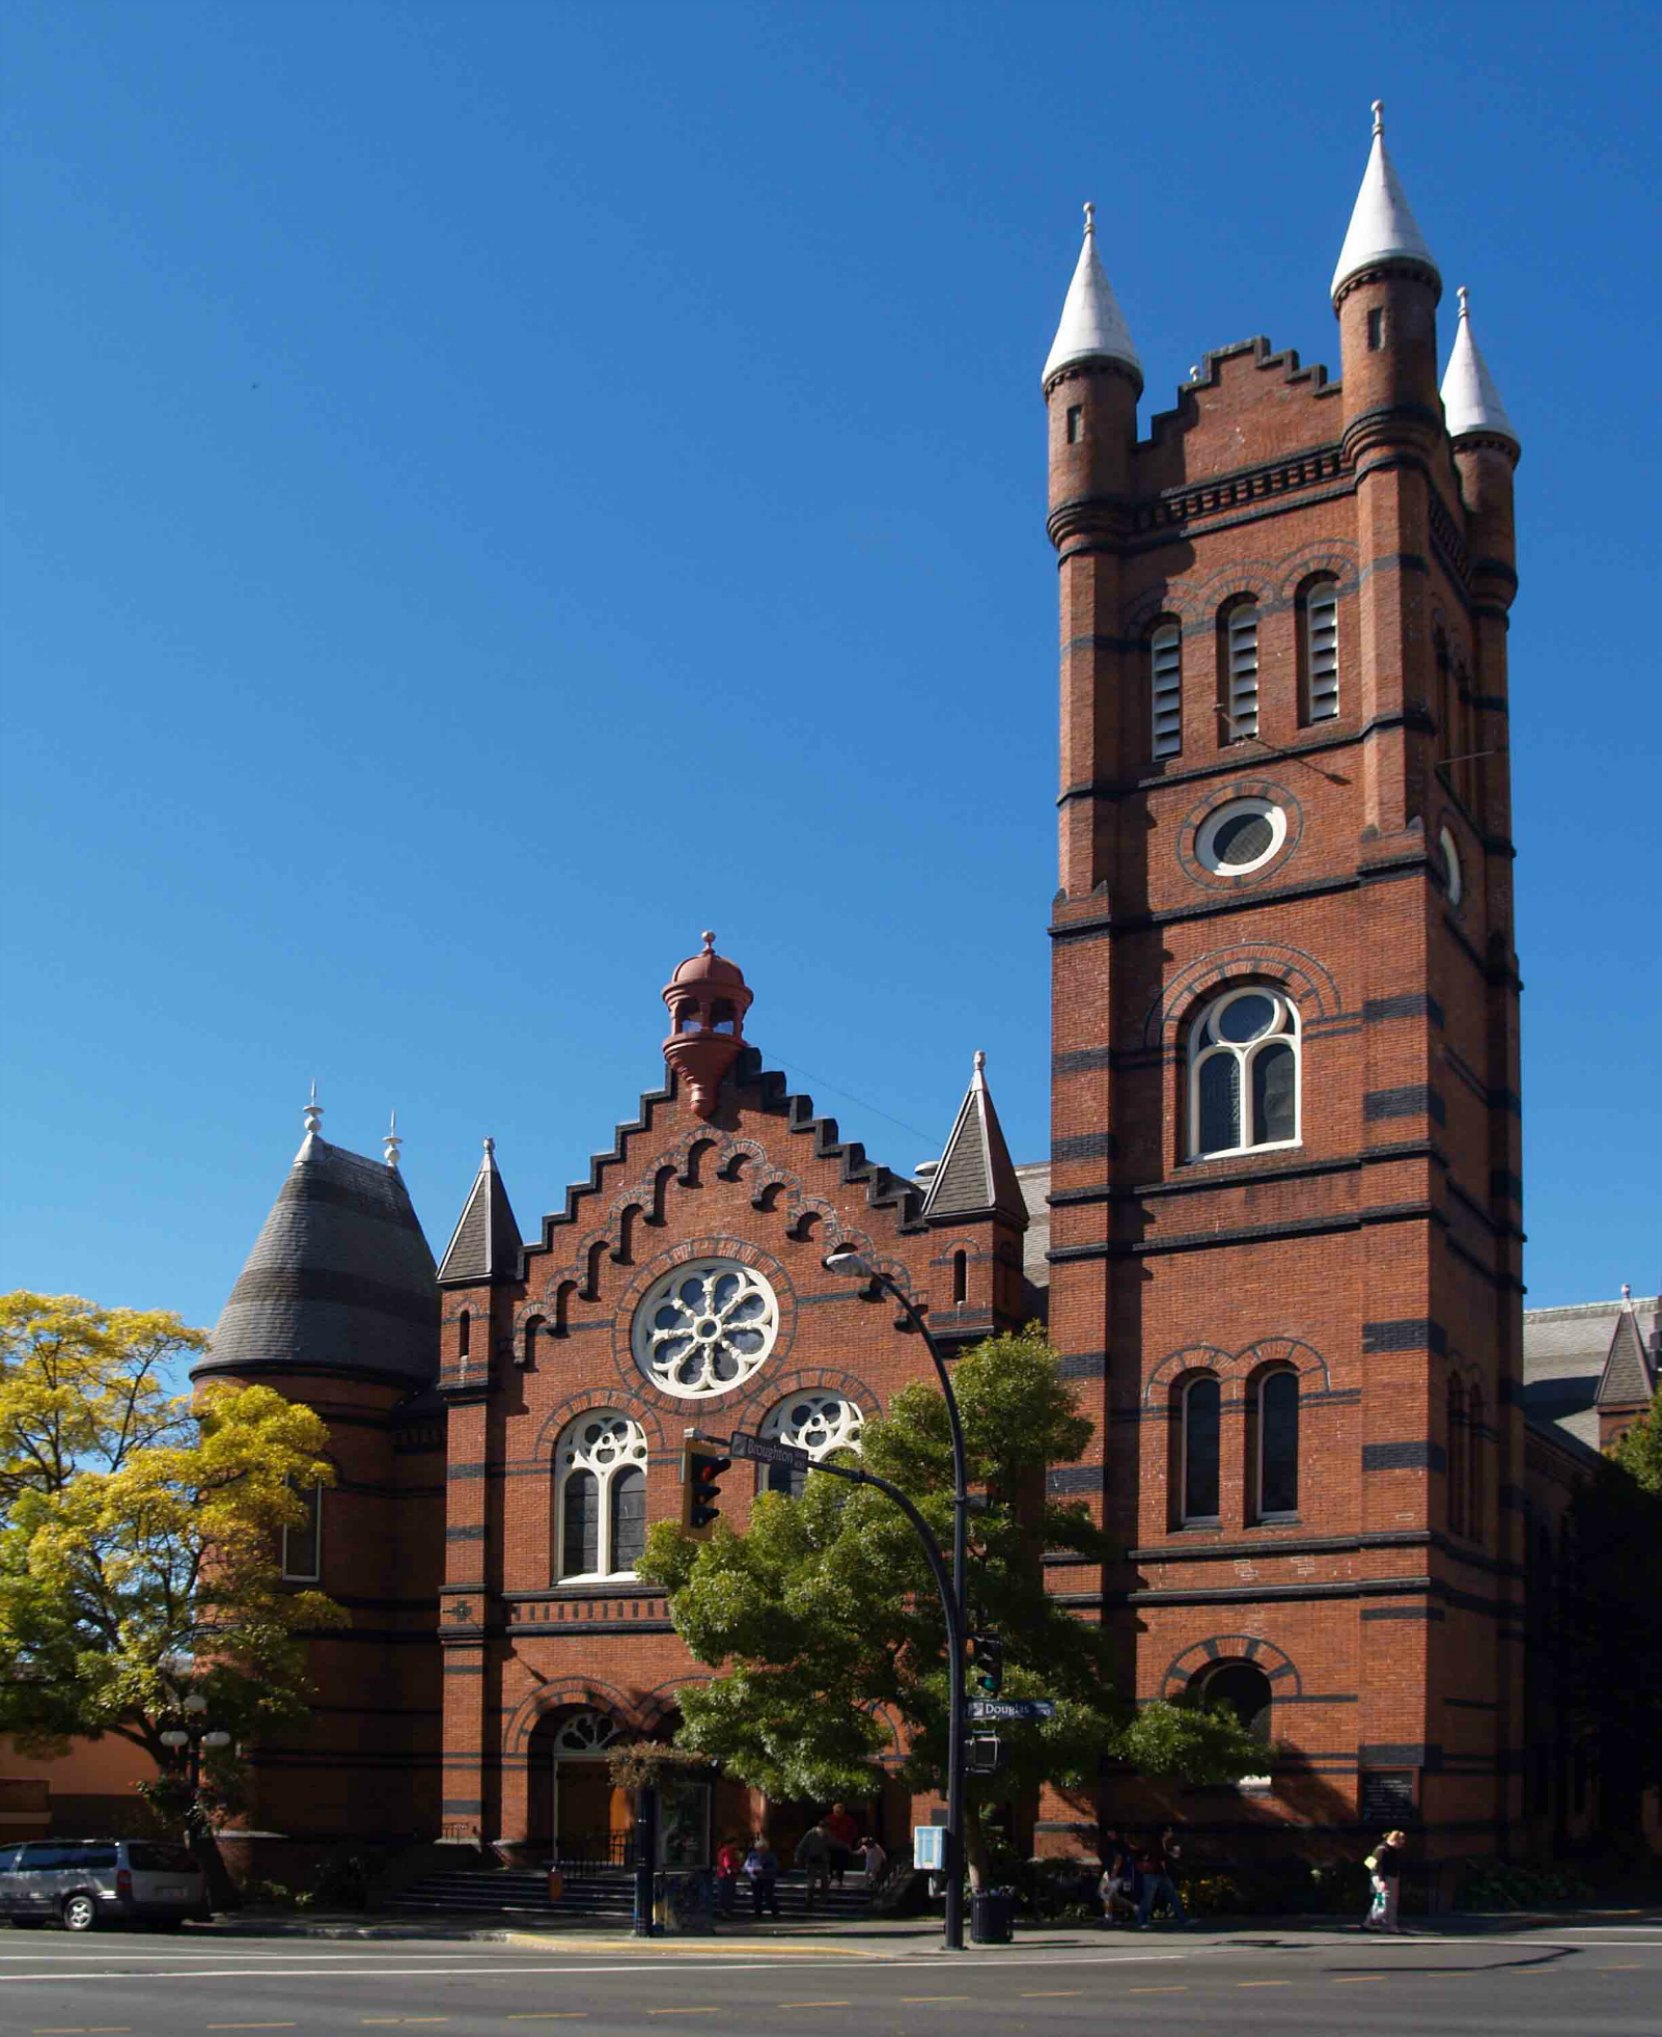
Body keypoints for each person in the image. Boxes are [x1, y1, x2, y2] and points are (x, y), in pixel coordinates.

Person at [1135, 1826, 1188, 1929]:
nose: (1171, 1833)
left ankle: (1182, 1918)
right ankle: (1142, 1921)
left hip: (1160, 1873)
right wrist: (1172, 1854)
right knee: (1148, 1898)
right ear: (1164, 1833)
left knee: (1172, 1894)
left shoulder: (1163, 1842)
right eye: (1169, 1831)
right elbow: (1159, 1856)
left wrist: (1171, 1853)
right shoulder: (1156, 1843)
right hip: (1152, 1873)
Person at [1362, 1829, 1407, 1934]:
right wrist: (1381, 1881)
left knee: (1382, 1900)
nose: (1401, 1846)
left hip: (1384, 1877)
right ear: (1395, 1840)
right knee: (1384, 1901)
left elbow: (1369, 1864)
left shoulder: (1383, 1849)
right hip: (1385, 1878)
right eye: (1400, 1843)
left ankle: (1373, 1922)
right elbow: (1379, 1867)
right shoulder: (1383, 1850)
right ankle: (1380, 1922)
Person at [1097, 1827, 1135, 1926]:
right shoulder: (1115, 1843)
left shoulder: (1116, 1844)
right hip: (1113, 1872)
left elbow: (1119, 1858)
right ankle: (1133, 1908)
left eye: (1110, 1831)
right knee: (1112, 1895)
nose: (1108, 1833)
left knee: (1106, 1894)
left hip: (1115, 1874)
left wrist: (1114, 1872)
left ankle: (1108, 1916)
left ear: (1114, 1833)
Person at [794, 1820, 832, 1907]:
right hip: (812, 1860)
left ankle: (823, 1899)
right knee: (811, 1881)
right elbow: (802, 1846)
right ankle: (809, 1900)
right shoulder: (811, 1834)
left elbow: (832, 1843)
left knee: (824, 1880)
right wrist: (798, 1857)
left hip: (823, 1860)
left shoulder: (827, 1835)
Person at [744, 1835, 781, 1919]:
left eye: (762, 1848)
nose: (760, 1850)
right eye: (758, 1848)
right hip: (755, 1879)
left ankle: (775, 1912)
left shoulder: (771, 1856)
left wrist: (764, 1870)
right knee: (757, 1897)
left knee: (769, 1895)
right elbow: (746, 1866)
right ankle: (758, 1913)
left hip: (767, 1878)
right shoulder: (752, 1855)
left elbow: (775, 1867)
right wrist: (751, 1870)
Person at [823, 1802, 859, 1887]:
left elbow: (854, 1832)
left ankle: (839, 1879)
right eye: (837, 1810)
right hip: (831, 1844)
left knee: (841, 1862)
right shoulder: (828, 1819)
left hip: (843, 1844)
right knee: (830, 1861)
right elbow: (823, 1830)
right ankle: (829, 1877)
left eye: (840, 1810)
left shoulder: (848, 1819)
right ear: (834, 1810)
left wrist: (849, 1842)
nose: (838, 1812)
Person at [715, 1834, 745, 1918]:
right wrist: (731, 1870)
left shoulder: (721, 1850)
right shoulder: (728, 1850)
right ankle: (726, 1913)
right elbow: (727, 1862)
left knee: (723, 1893)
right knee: (727, 1894)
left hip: (722, 1874)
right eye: (736, 1843)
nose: (737, 1845)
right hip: (727, 1876)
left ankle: (724, 1912)